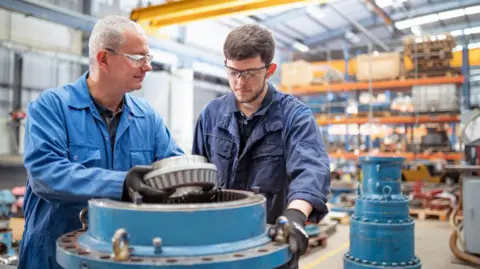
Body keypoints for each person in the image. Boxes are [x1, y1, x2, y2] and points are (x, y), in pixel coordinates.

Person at [18, 16, 184, 268]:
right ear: (104, 59)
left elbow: (174, 168)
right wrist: (124, 184)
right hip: (55, 258)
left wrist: (191, 179)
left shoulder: (147, 118)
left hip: (119, 257)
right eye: (138, 58)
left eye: (148, 58)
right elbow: (45, 175)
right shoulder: (52, 107)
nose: (147, 67)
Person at [192, 24, 331, 268]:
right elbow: (197, 174)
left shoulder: (295, 117)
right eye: (233, 72)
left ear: (269, 70)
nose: (239, 82)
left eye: (249, 73)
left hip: (271, 250)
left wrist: (295, 217)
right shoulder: (211, 115)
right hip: (219, 248)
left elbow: (311, 171)